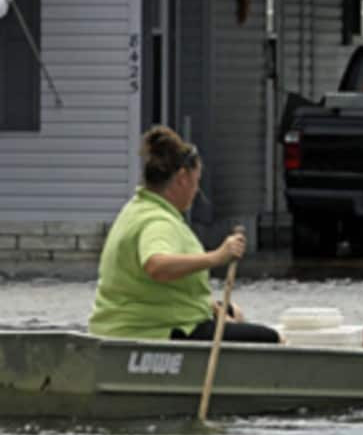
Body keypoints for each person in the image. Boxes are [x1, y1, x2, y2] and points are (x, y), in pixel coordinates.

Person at [88, 125, 280, 343]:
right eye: (196, 182)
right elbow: (156, 266)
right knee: (271, 338)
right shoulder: (158, 221)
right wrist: (216, 257)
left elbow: (158, 287)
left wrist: (212, 309)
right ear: (182, 178)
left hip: (133, 321)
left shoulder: (136, 209)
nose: (196, 191)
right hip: (152, 331)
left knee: (232, 312)